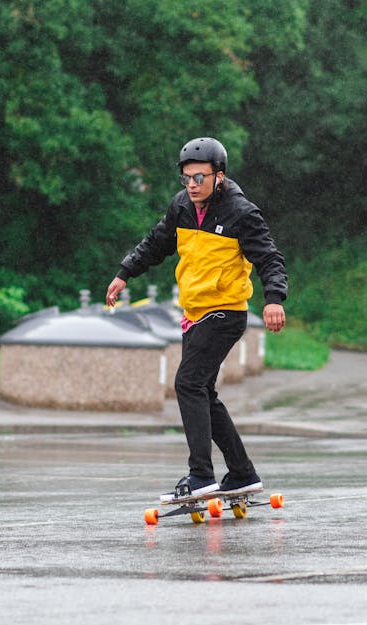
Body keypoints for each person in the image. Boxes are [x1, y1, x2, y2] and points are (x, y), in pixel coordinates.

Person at [106, 137, 287, 501]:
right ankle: (242, 473)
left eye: (200, 177)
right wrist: (125, 272)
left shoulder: (241, 212)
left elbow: (269, 258)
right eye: (187, 177)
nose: (192, 185)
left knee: (187, 383)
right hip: (196, 313)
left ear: (219, 176)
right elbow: (156, 242)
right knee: (203, 391)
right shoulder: (182, 207)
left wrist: (274, 299)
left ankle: (201, 475)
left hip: (226, 312)